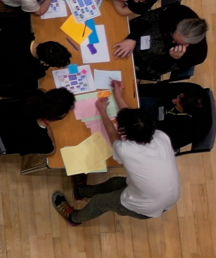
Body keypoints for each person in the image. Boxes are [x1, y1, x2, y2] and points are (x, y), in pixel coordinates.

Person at [54, 84, 180, 224]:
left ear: (124, 132)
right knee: (114, 183)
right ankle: (81, 191)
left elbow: (112, 134)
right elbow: (133, 118)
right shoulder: (160, 136)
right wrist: (118, 96)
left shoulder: (127, 150)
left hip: (145, 206)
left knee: (99, 202)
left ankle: (74, 218)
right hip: (165, 194)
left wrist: (103, 111)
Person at [115, 4, 209, 78]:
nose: (172, 41)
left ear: (188, 44)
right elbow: (148, 17)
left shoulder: (197, 55)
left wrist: (171, 58)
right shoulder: (180, 12)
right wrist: (132, 38)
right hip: (134, 33)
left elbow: (153, 71)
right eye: (173, 34)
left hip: (140, 62)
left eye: (177, 41)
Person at [0, 18, 74, 97]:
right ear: (44, 62)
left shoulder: (21, 25)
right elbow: (38, 73)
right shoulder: (31, 72)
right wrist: (43, 65)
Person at [0, 89, 75, 156]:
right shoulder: (42, 140)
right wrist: (46, 123)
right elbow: (51, 151)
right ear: (60, 115)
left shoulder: (34, 94)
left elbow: (42, 90)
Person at [144, 81, 212, 151]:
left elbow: (166, 142)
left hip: (163, 130)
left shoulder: (192, 129)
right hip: (160, 104)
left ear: (187, 113)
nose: (174, 100)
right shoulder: (193, 89)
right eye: (178, 97)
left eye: (177, 104)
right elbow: (160, 88)